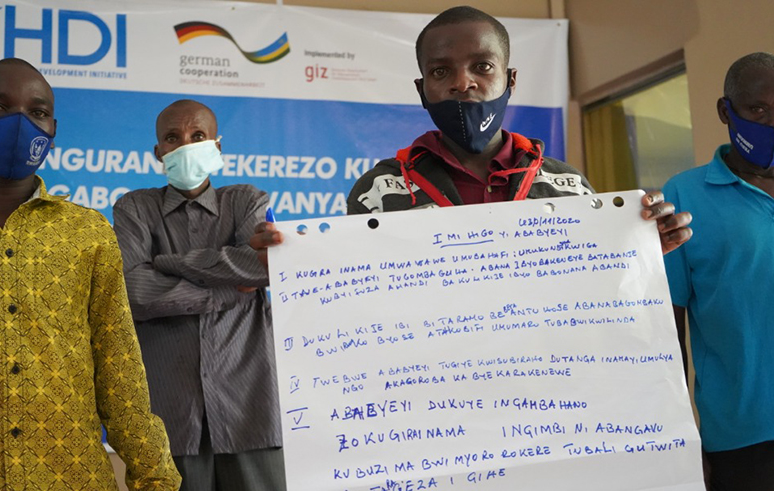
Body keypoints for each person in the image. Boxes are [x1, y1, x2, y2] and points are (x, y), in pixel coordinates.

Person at [250, 6, 692, 262]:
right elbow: (354, 286)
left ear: (510, 79)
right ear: (423, 91)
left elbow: (597, 282)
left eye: (483, 66)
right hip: (433, 398)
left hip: (551, 392)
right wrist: (292, 262)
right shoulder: (379, 191)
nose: (463, 83)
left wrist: (639, 251)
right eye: (442, 72)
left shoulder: (566, 186)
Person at [0, 58, 180, 490]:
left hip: (71, 477)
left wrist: (154, 477)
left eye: (37, 112)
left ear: (53, 129)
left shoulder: (86, 232)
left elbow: (118, 367)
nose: (19, 123)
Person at [112, 100, 285, 491]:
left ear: (217, 147)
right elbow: (134, 292)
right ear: (158, 152)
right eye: (172, 138)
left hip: (251, 408)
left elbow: (263, 267)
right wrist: (228, 289)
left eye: (198, 136)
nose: (185, 146)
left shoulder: (245, 200)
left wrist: (168, 263)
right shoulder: (135, 207)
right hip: (170, 418)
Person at [662, 52, 774, 491]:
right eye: (757, 110)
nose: (769, 124)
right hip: (741, 438)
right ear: (726, 111)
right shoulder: (684, 196)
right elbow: (669, 333)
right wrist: (681, 438)